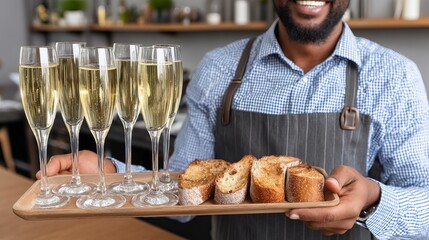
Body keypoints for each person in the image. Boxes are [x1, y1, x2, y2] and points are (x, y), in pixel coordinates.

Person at [41, 0, 429, 239]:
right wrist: (110, 170)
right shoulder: (218, 69)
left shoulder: (393, 76)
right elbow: (185, 196)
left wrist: (372, 200)